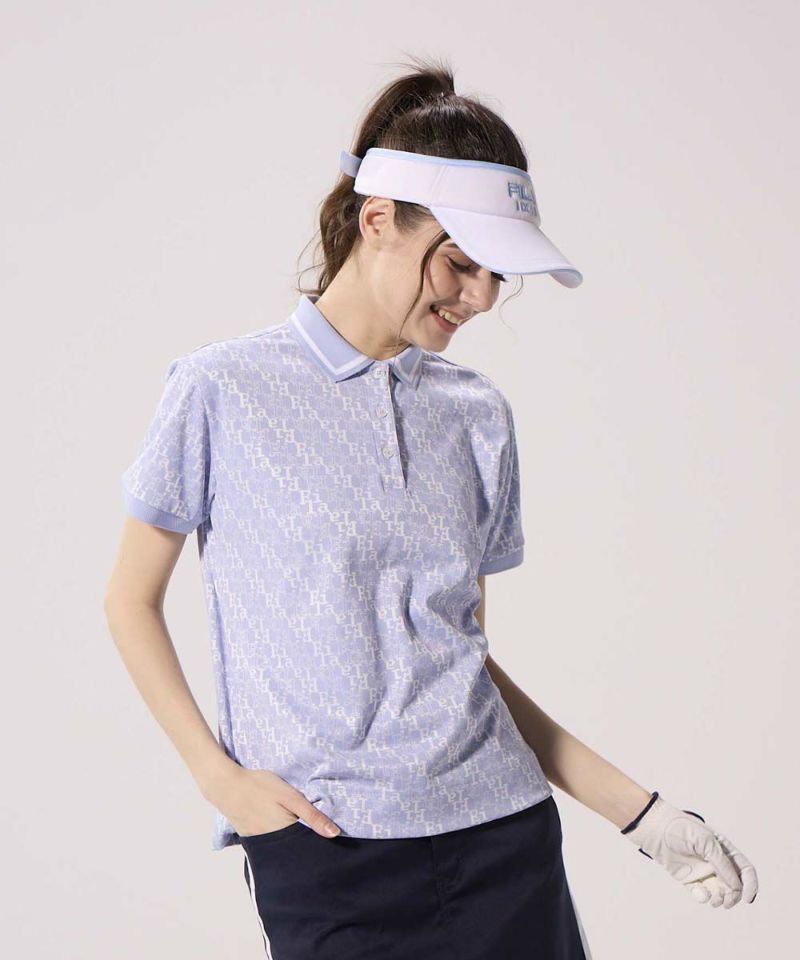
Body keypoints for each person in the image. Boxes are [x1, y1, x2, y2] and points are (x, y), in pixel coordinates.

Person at [103, 55, 758, 960]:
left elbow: (460, 658)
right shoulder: (223, 389)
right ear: (378, 220)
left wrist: (638, 814)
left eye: (498, 275)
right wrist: (219, 781)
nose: (481, 298)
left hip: (502, 836)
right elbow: (129, 601)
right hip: (325, 846)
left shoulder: (476, 414)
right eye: (460, 263)